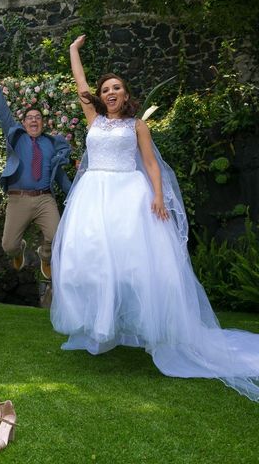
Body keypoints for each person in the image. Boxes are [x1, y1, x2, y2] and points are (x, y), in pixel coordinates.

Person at [51, 35, 259, 401]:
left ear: (126, 94)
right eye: (106, 88)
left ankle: (151, 332)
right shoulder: (94, 119)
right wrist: (73, 52)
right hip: (94, 196)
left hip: (129, 196)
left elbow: (150, 164)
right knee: (89, 264)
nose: (111, 92)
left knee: (138, 267)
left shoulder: (137, 126)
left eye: (117, 88)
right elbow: (80, 85)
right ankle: (101, 327)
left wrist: (159, 197)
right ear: (101, 95)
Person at [0, 58, 72, 281]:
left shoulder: (51, 145)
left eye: (38, 118)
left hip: (44, 199)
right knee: (8, 245)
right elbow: (2, 110)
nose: (34, 121)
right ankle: (18, 249)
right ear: (23, 123)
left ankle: (45, 254)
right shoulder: (17, 138)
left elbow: (60, 177)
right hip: (18, 198)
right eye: (29, 118)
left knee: (57, 236)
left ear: (43, 122)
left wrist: (80, 195)